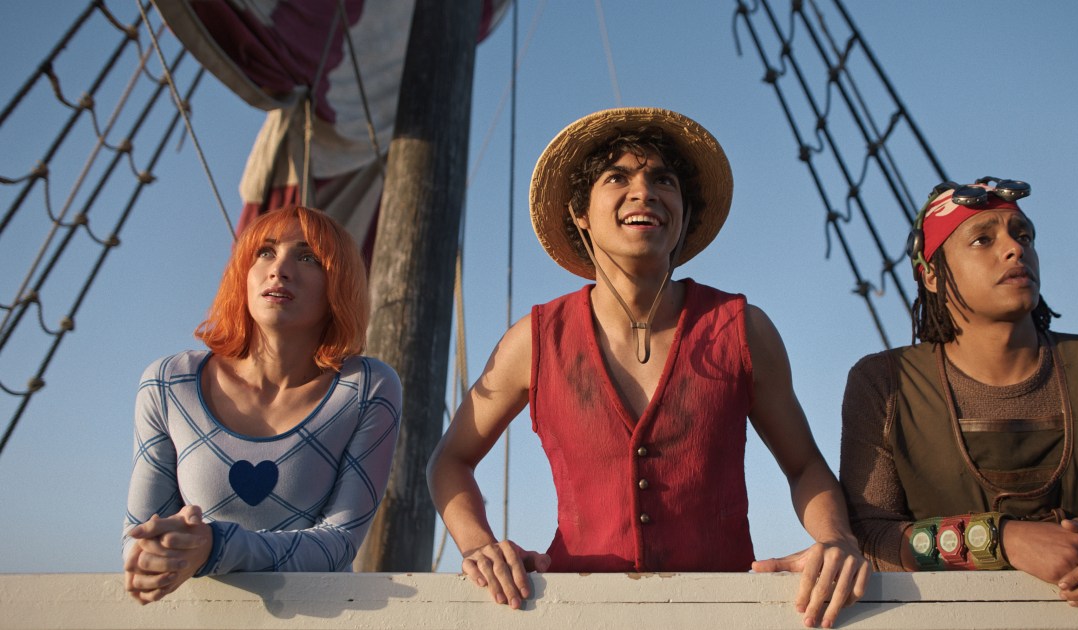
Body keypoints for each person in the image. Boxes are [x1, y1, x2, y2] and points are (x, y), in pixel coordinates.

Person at [428, 108, 869, 628]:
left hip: (722, 616)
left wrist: (837, 539)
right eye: (617, 178)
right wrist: (478, 546)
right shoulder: (535, 339)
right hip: (573, 617)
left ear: (684, 211)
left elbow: (805, 466)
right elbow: (450, 460)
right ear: (580, 213)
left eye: (663, 180)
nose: (644, 192)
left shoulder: (743, 329)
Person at [840, 178, 1078, 611]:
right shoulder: (885, 383)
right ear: (932, 275)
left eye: (1024, 235)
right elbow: (867, 537)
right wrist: (1000, 539)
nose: (1015, 249)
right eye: (982, 239)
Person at [122, 205, 401, 604]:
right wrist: (162, 550)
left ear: (339, 283)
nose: (279, 270)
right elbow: (139, 540)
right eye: (265, 252)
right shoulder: (169, 383)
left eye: (308, 258)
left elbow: (339, 543)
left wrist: (216, 547)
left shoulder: (365, 388)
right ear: (243, 273)